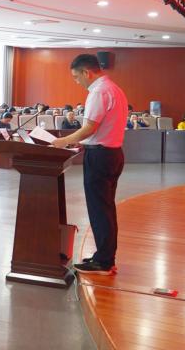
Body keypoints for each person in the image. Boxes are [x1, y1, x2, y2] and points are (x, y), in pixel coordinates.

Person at [52, 54, 128, 275]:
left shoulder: (98, 91)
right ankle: (105, 257)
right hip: (113, 154)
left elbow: (89, 128)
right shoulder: (114, 89)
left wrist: (63, 141)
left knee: (99, 210)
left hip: (100, 157)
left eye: (77, 77)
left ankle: (103, 261)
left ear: (87, 72)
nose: (77, 82)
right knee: (106, 208)